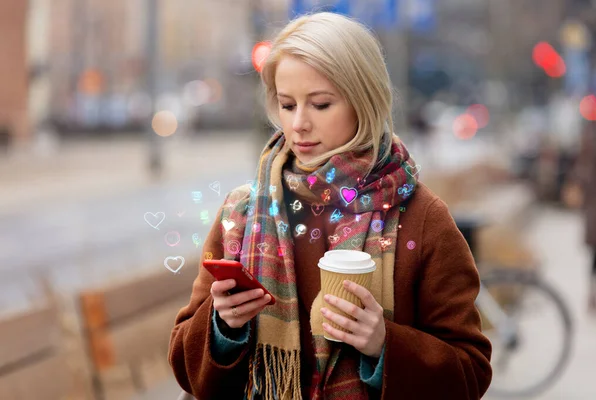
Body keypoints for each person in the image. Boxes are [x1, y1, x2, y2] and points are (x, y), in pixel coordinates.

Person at [169, 12, 492, 400]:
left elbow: (470, 372)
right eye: (288, 105)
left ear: (364, 101)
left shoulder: (421, 216)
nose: (299, 124)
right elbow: (185, 366)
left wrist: (384, 346)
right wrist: (223, 328)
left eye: (320, 105)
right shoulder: (242, 212)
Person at [571, 118, 596, 312]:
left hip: (594, 204)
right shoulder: (591, 136)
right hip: (595, 204)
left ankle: (592, 296)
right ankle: (592, 296)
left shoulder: (589, 136)